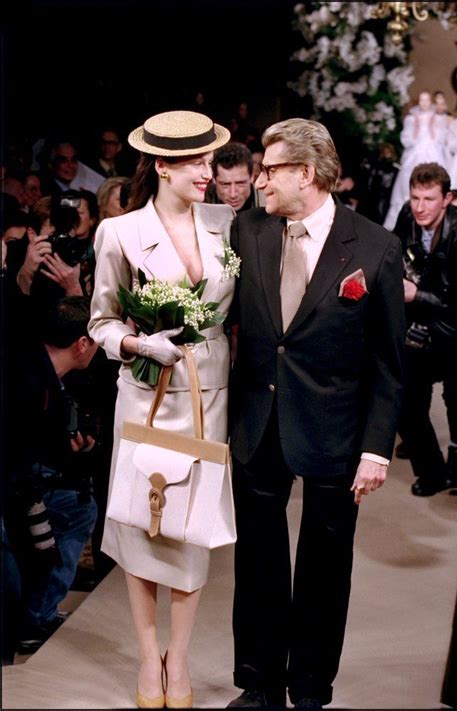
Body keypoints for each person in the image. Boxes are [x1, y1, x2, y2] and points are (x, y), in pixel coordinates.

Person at [226, 118, 405, 710]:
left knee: (326, 567)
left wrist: (377, 448)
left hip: (336, 428)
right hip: (259, 421)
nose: (258, 182)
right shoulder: (247, 231)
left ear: (306, 173)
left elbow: (386, 361)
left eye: (269, 170)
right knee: (258, 560)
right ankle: (259, 683)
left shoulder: (375, 246)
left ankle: (308, 688)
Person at [88, 110, 235, 709]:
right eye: (197, 163)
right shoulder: (118, 234)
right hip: (145, 396)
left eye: (210, 160)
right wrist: (137, 343)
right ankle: (150, 657)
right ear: (163, 166)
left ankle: (181, 657)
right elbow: (99, 321)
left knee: (191, 530)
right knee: (143, 523)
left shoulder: (227, 223)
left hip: (211, 396)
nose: (210, 173)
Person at [4, 296, 98, 654]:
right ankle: (36, 616)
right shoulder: (29, 381)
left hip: (30, 475)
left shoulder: (37, 367)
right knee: (81, 510)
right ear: (82, 343)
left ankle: (36, 612)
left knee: (77, 501)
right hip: (19, 483)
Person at [393, 162, 457, 496]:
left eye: (429, 199)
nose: (420, 207)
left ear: (447, 198)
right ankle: (432, 471)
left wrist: (416, 294)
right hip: (420, 326)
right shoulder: (407, 217)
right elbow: (392, 252)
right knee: (405, 401)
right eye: (415, 198)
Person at [384, 91, 448, 231]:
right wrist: (416, 130)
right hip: (415, 153)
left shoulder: (438, 118)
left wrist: (432, 128)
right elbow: (406, 140)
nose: (424, 103)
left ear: (431, 102)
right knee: (407, 183)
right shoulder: (412, 118)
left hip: (433, 152)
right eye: (421, 100)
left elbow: (442, 139)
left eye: (427, 100)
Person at [205, 142, 266, 212]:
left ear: (252, 176)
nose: (233, 195)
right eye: (225, 184)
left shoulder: (269, 203)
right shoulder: (200, 204)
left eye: (240, 183)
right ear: (213, 179)